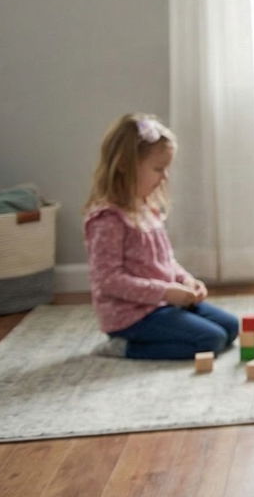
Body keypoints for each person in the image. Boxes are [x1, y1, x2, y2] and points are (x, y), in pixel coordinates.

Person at [84, 113, 238, 360]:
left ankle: (170, 321)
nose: (164, 177)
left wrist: (186, 281)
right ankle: (124, 347)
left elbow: (166, 261)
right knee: (211, 339)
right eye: (158, 169)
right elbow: (109, 280)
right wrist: (166, 292)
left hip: (162, 304)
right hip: (132, 315)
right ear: (124, 164)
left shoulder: (148, 208)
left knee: (231, 327)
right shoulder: (108, 220)